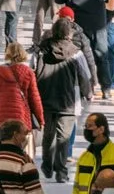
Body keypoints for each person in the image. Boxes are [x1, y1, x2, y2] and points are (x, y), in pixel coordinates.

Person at [35, 11, 92, 178]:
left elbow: (34, 72)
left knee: (48, 134)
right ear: (69, 34)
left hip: (46, 97)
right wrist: (87, 93)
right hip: (68, 100)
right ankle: (60, 171)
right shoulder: (76, 53)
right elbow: (84, 75)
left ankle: (47, 165)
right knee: (64, 137)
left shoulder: (42, 51)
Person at [0, 41, 45, 147]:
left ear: (8, 54)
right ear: (23, 54)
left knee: (2, 144)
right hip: (20, 116)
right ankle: (15, 161)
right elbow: (34, 98)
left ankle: (1, 160)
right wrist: (41, 120)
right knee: (18, 146)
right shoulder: (28, 72)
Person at [71, 112, 114, 194]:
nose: (86, 129)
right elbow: (76, 189)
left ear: (101, 129)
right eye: (85, 126)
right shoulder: (84, 158)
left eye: (90, 126)